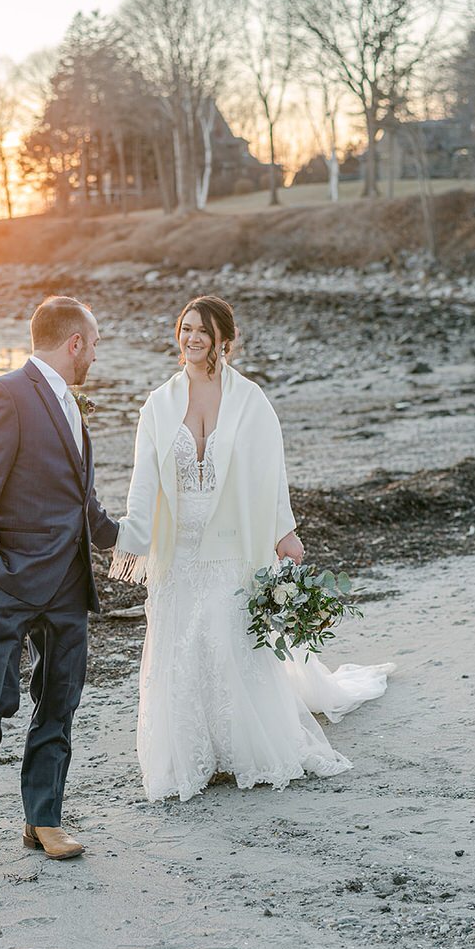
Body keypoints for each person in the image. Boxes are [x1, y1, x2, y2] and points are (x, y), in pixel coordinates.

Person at [109, 295, 395, 803]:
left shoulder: (249, 400)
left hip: (231, 543)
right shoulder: (159, 404)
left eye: (202, 330)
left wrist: (284, 532)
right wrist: (127, 536)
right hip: (178, 550)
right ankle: (192, 756)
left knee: (226, 637)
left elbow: (270, 473)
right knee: (181, 648)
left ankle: (245, 750)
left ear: (225, 339)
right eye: (186, 328)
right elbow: (144, 479)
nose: (192, 338)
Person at [0, 296, 118, 862]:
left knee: (59, 703)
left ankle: (43, 820)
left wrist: (133, 536)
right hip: (8, 582)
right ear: (74, 343)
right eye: (94, 344)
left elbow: (83, 503)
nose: (95, 355)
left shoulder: (74, 409)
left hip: (69, 585)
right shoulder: (4, 393)